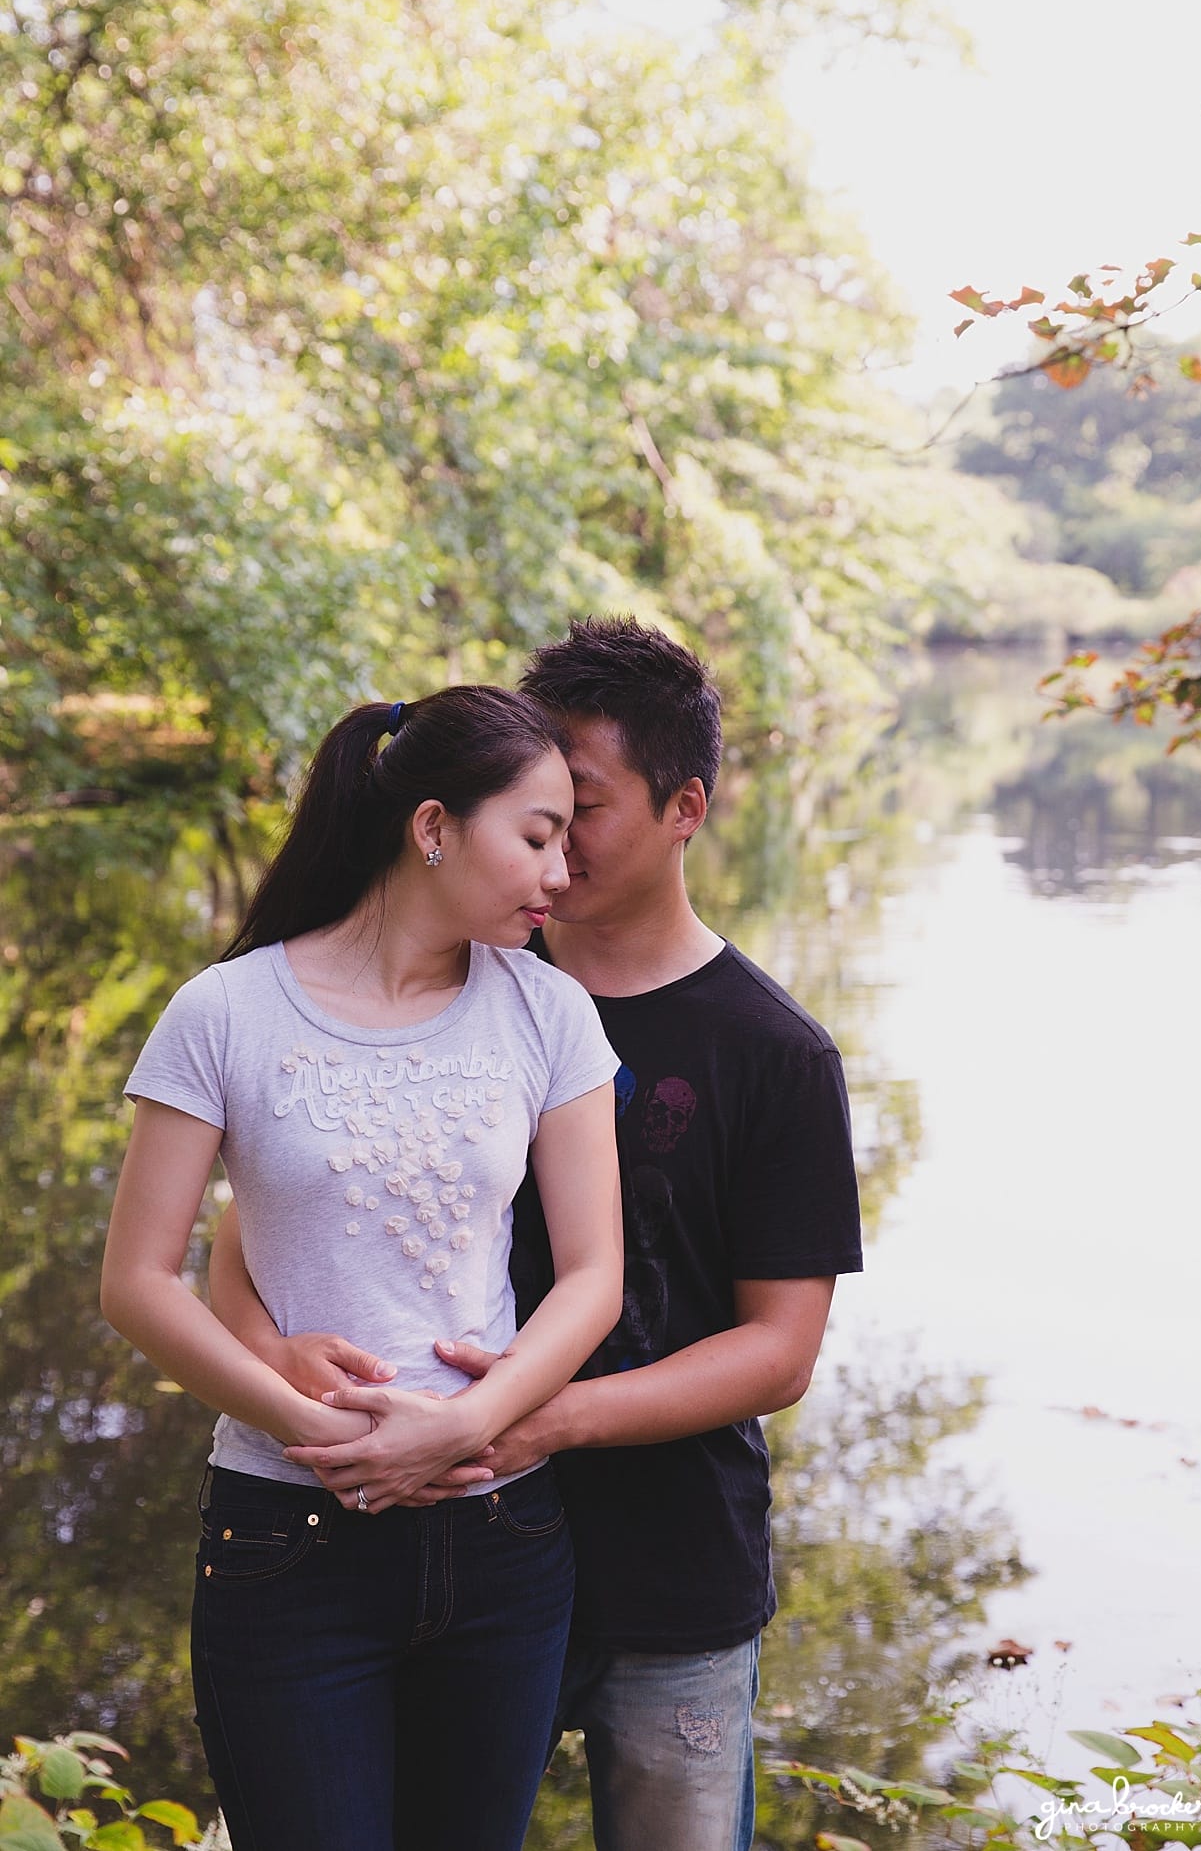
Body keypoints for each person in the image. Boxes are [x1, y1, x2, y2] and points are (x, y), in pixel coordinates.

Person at [211, 620, 863, 1851]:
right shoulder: (444, 985)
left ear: (686, 808)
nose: (555, 843)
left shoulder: (773, 1053)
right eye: (537, 807)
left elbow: (779, 1352)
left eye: (587, 807)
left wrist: (526, 1416)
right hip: (422, 1543)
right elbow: (255, 1233)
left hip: (665, 1572)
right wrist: (275, 1354)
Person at [100, 686, 624, 1851]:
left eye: (568, 844)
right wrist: (311, 1427)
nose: (560, 873)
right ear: (432, 826)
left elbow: (594, 1276)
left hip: (501, 1540)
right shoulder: (223, 1011)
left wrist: (466, 1422)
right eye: (535, 836)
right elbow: (137, 1279)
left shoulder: (550, 1012)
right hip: (288, 1545)